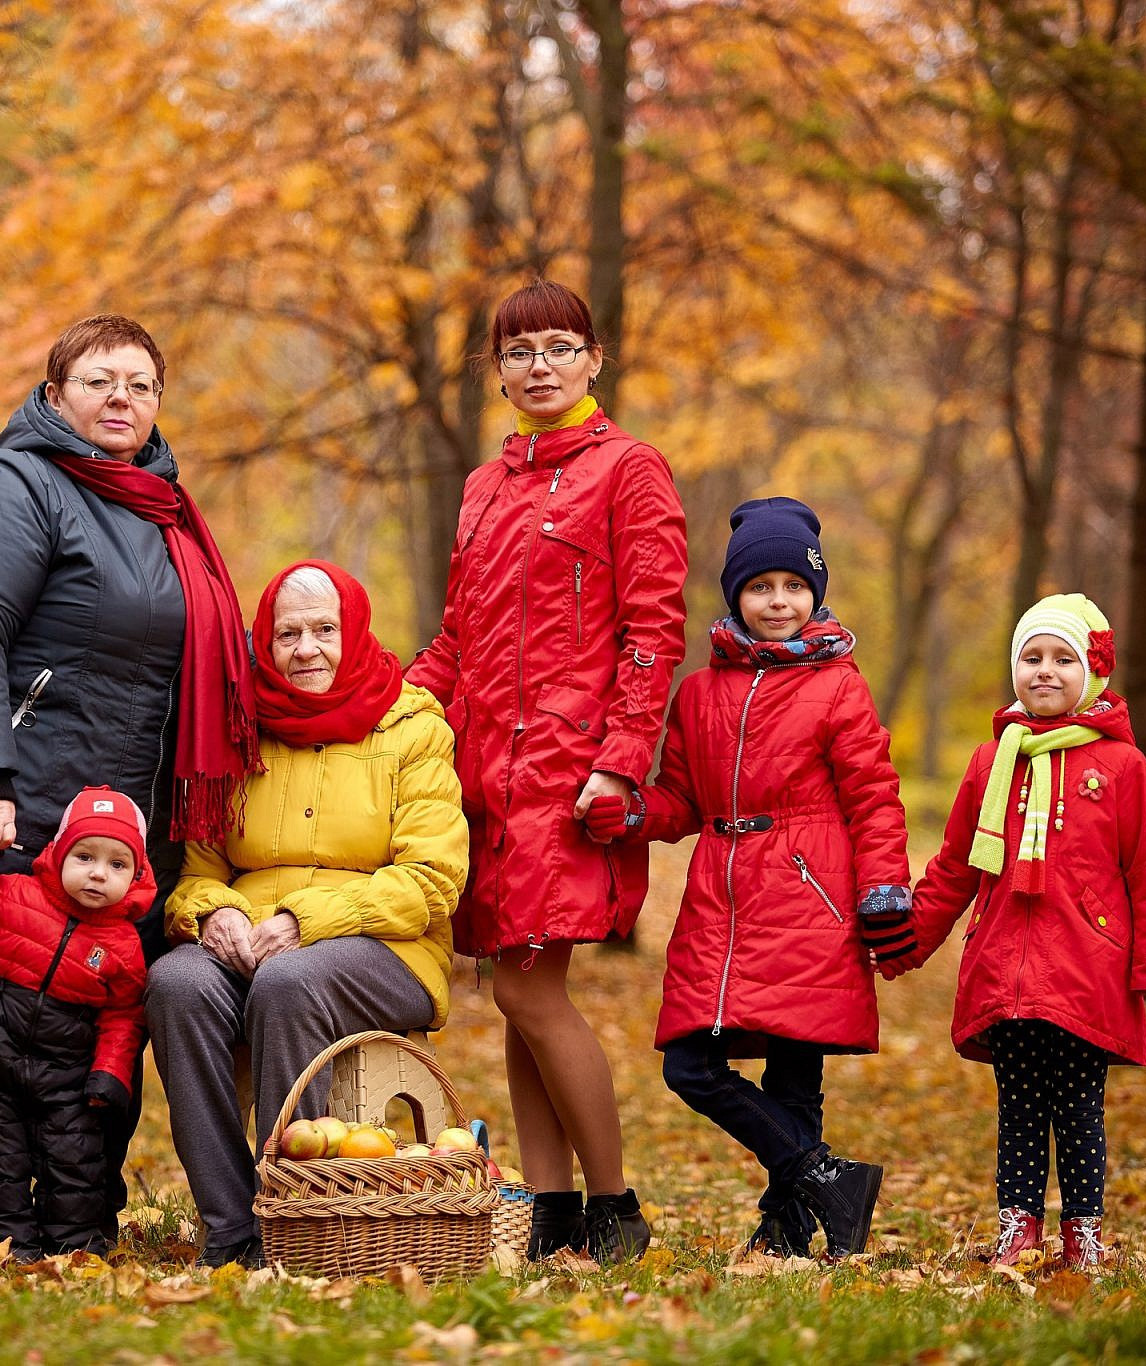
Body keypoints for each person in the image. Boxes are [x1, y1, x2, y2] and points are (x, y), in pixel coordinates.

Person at [0, 314, 259, 1257]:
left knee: (94, 1022)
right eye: (98, 380)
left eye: (139, 383)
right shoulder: (17, 486)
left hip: (114, 823)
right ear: (55, 396)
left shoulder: (161, 510)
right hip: (7, 800)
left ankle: (62, 1221)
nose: (120, 398)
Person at [408, 280, 688, 1262]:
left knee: (530, 989)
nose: (538, 366)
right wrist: (386, 713)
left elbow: (651, 633)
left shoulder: (630, 471)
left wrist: (619, 764)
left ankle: (614, 1208)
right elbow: (455, 638)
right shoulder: (484, 489)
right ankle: (549, 1212)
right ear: (496, 371)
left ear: (594, 360)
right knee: (511, 992)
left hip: (569, 779)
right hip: (483, 777)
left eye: (559, 347)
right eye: (518, 352)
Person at [586, 499, 909, 1260]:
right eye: (759, 586)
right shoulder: (700, 692)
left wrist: (885, 886)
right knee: (691, 1066)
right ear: (735, 595)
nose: (777, 602)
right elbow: (685, 800)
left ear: (815, 594)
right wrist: (633, 813)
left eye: (793, 586)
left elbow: (872, 794)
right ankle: (824, 1175)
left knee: (796, 1070)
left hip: (809, 891)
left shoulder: (838, 686)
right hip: (723, 899)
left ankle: (788, 1226)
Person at [152, 561, 468, 1268]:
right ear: (263, 642)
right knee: (177, 985)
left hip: (388, 946)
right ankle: (232, 1228)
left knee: (290, 982)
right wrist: (212, 916)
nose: (306, 650)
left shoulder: (412, 726)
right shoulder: (236, 725)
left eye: (324, 630)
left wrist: (305, 920)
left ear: (353, 632)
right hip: (252, 939)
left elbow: (431, 881)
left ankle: (295, 1225)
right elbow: (198, 872)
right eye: (287, 633)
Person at [888, 594, 1146, 1270]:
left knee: (1079, 1111)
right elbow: (956, 864)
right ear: (1014, 668)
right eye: (1031, 658)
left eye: (1062, 659)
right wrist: (908, 941)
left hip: (1087, 973)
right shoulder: (992, 760)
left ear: (1092, 675)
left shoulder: (1121, 768)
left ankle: (1083, 1231)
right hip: (1005, 970)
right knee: (1019, 1110)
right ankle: (1018, 1227)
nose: (1044, 671)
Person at [0, 786, 153, 1260]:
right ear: (58, 851)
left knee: (74, 1161)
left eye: (117, 865)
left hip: (67, 1068)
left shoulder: (124, 944)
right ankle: (6, 1244)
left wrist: (111, 1071)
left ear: (136, 875)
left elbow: (125, 1016)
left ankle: (72, 1247)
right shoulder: (15, 893)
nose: (97, 873)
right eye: (85, 856)